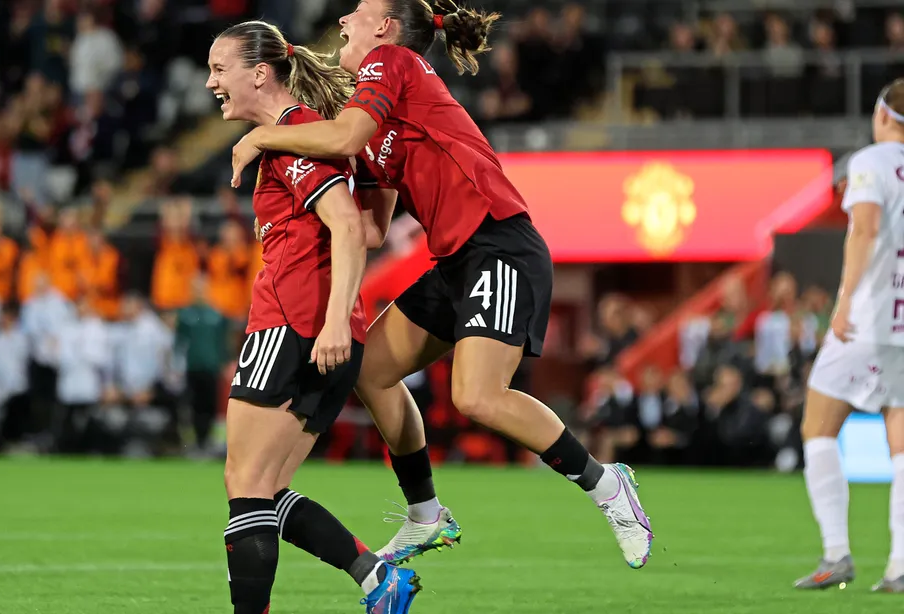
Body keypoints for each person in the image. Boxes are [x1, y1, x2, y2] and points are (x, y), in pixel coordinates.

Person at [230, 0, 653, 570]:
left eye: (356, 10)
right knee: (372, 371)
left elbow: (347, 137)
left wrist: (265, 139)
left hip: (498, 243)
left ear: (384, 25)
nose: (343, 20)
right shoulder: (375, 122)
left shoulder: (392, 60)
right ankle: (426, 515)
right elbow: (376, 228)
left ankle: (606, 484)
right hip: (457, 260)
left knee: (477, 396)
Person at [206, 21, 417, 614]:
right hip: (327, 331)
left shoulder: (294, 135)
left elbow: (350, 229)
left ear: (260, 73)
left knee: (244, 484)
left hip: (295, 324)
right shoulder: (305, 136)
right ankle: (378, 579)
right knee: (265, 490)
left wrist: (326, 324)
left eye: (221, 69)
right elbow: (369, 227)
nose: (212, 82)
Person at [795, 79, 904, 593]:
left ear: (884, 117)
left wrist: (843, 303)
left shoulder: (871, 162)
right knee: (902, 442)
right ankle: (901, 564)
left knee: (818, 425)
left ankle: (837, 554)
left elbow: (864, 228)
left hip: (870, 317)